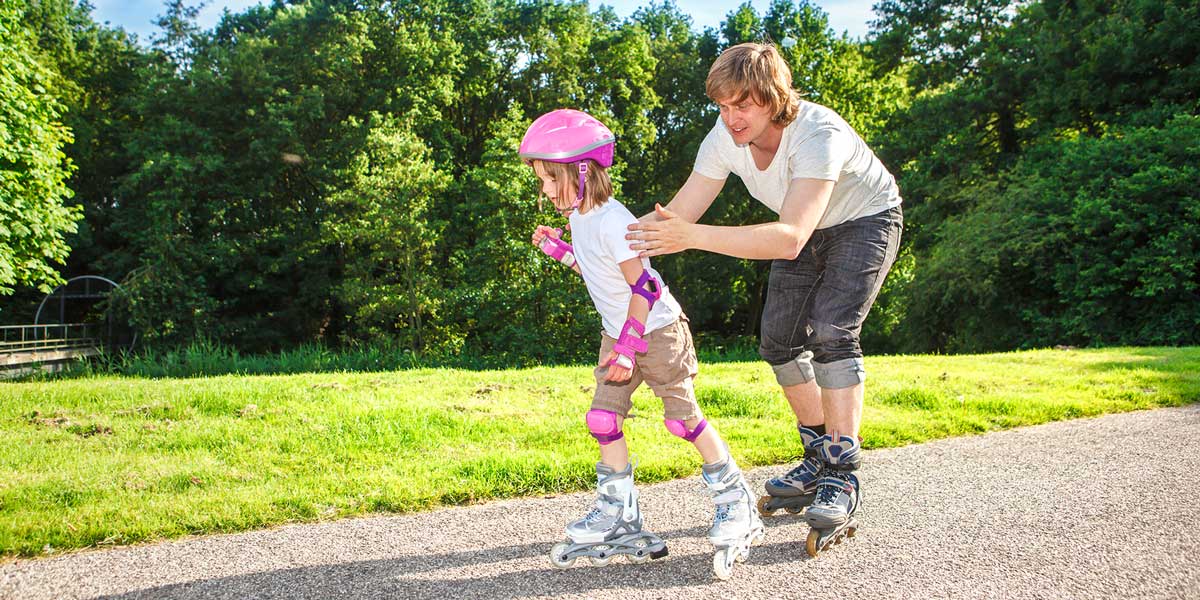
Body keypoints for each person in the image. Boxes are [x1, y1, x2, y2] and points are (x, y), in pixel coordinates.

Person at [626, 42, 903, 556]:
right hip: (798, 229)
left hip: (863, 221)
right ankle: (819, 453)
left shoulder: (819, 134)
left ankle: (841, 472)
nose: (731, 118)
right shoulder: (723, 137)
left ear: (774, 97)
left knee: (833, 331)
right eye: (723, 106)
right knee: (778, 342)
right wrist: (597, 231)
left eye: (743, 105)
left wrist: (692, 236)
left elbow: (789, 237)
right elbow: (675, 216)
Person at [519, 109, 763, 578]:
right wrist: (561, 252)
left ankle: (736, 501)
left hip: (658, 332)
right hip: (621, 335)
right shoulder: (581, 219)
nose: (545, 190)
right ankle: (620, 515)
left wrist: (628, 347)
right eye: (541, 180)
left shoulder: (612, 220)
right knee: (602, 418)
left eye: (550, 179)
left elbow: (645, 288)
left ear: (581, 171)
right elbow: (601, 272)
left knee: (683, 421)